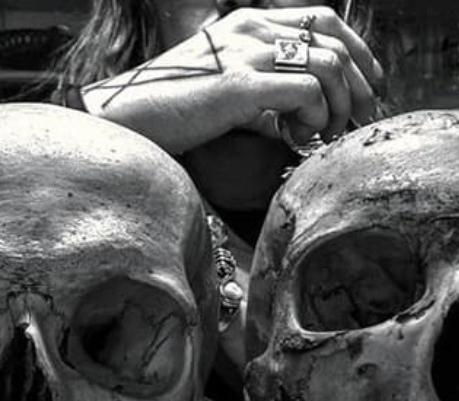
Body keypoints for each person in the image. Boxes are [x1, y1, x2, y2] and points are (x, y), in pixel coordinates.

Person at [51, 0, 384, 397]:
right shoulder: (62, 191)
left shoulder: (396, 208)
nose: (242, 8)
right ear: (142, 12)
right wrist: (96, 114)